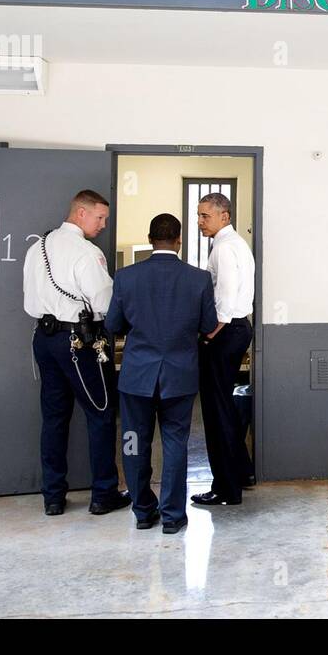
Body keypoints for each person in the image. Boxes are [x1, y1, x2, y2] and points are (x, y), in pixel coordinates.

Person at [106, 213, 217, 534]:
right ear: (179, 240)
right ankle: (172, 516)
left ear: (151, 238)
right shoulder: (198, 279)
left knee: (133, 443)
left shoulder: (126, 277)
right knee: (175, 443)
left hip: (137, 377)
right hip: (180, 376)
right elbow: (209, 327)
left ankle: (143, 511)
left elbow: (113, 325)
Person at [22, 189, 129, 517]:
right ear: (80, 214)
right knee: (100, 414)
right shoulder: (87, 252)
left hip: (44, 337)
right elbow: (106, 304)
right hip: (79, 343)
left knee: (54, 418)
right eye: (100, 217)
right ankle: (103, 494)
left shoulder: (36, 248)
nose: (103, 224)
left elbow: (28, 297)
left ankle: (53, 497)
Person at [191, 192, 255, 508]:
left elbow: (225, 301)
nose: (200, 221)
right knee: (224, 409)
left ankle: (226, 489)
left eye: (205, 216)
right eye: (199, 215)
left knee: (217, 414)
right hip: (237, 329)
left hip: (227, 331)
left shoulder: (225, 248)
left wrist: (207, 335)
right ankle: (240, 474)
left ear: (224, 216)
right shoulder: (233, 244)